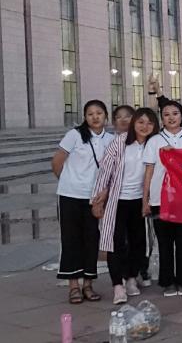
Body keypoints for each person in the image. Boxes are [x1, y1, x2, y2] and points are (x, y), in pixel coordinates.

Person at [92, 107, 157, 304]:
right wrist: (98, 199)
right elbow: (105, 170)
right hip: (118, 200)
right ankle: (117, 285)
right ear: (134, 123)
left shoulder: (154, 143)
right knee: (115, 242)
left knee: (138, 242)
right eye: (140, 122)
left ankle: (131, 278)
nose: (144, 126)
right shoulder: (120, 142)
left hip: (140, 200)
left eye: (149, 123)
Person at [52, 100, 114, 303]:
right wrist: (68, 182)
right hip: (70, 196)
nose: (95, 117)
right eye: (90, 114)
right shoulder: (74, 135)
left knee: (91, 239)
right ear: (85, 117)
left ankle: (88, 284)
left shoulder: (110, 139)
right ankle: (73, 286)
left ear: (105, 116)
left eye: (99, 113)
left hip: (94, 198)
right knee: (71, 239)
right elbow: (57, 161)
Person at [142, 100, 182, 296]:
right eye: (166, 115)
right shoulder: (155, 141)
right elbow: (149, 171)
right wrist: (145, 199)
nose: (171, 118)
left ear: (181, 116)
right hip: (160, 199)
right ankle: (167, 281)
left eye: (175, 113)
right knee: (164, 243)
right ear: (161, 119)